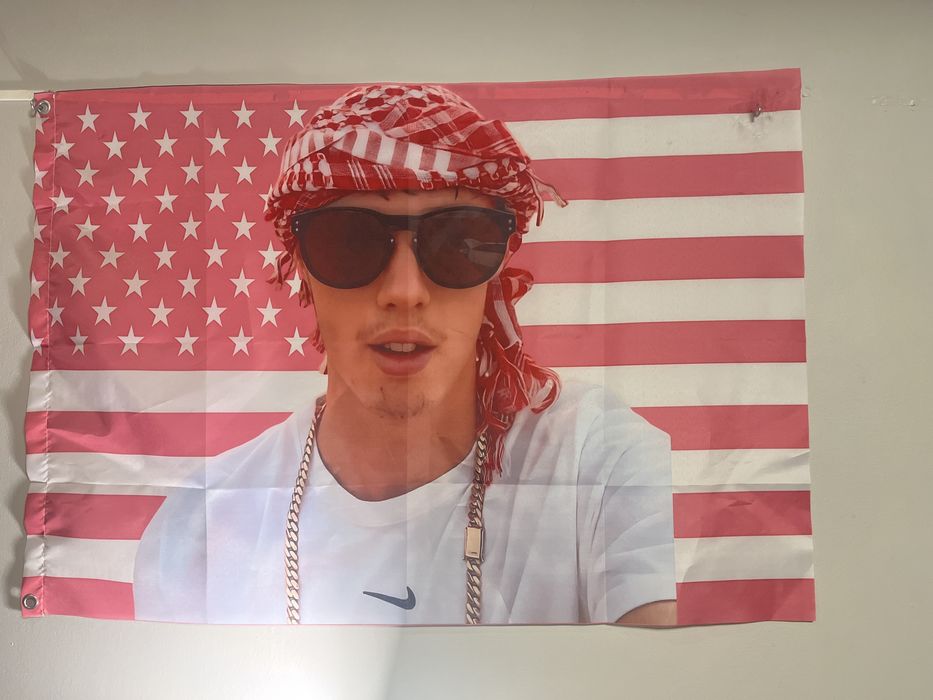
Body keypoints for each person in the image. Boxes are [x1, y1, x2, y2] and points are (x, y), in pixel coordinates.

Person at [133, 84, 677, 626]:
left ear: (498, 267)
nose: (405, 291)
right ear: (300, 264)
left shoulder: (595, 463)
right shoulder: (200, 528)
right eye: (350, 241)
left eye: (458, 242)